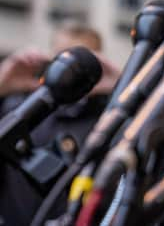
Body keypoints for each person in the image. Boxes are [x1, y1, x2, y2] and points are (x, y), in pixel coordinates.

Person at [0, 21, 120, 226]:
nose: (70, 74)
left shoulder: (111, 117)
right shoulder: (17, 108)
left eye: (81, 63)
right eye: (62, 59)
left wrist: (121, 86)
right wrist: (2, 84)